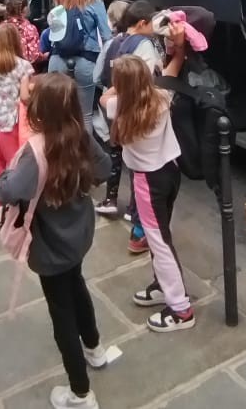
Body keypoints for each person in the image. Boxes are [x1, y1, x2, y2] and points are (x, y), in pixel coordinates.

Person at [0, 73, 112, 408]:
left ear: (40, 110)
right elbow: (104, 170)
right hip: (79, 236)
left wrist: (7, 172)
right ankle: (94, 348)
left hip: (50, 246)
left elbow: (7, 190)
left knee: (61, 313)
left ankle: (80, 393)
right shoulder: (82, 137)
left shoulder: (37, 151)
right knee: (77, 285)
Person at [101, 50, 195, 332]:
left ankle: (181, 309)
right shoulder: (163, 98)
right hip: (170, 173)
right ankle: (162, 285)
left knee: (158, 241)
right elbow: (175, 66)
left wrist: (119, 79)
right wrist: (172, 53)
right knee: (162, 234)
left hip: (147, 182)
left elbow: (106, 96)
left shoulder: (117, 105)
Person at [92, 0, 160, 224]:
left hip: (113, 108)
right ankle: (134, 208)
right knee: (135, 161)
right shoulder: (145, 45)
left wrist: (110, 94)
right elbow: (150, 77)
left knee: (116, 152)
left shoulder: (113, 42)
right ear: (142, 23)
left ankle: (110, 200)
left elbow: (97, 75)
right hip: (134, 109)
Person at [49, 0, 112, 131]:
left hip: (57, 58)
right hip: (86, 60)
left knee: (58, 114)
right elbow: (106, 35)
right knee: (84, 115)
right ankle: (85, 156)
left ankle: (59, 155)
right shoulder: (94, 0)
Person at [0, 23, 33, 216]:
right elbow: (25, 97)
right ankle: (14, 203)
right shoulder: (23, 66)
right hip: (10, 123)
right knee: (14, 165)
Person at [4, 0, 42, 64]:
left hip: (5, 68)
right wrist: (44, 57)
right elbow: (34, 56)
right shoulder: (29, 28)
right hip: (25, 71)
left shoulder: (2, 27)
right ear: (24, 9)